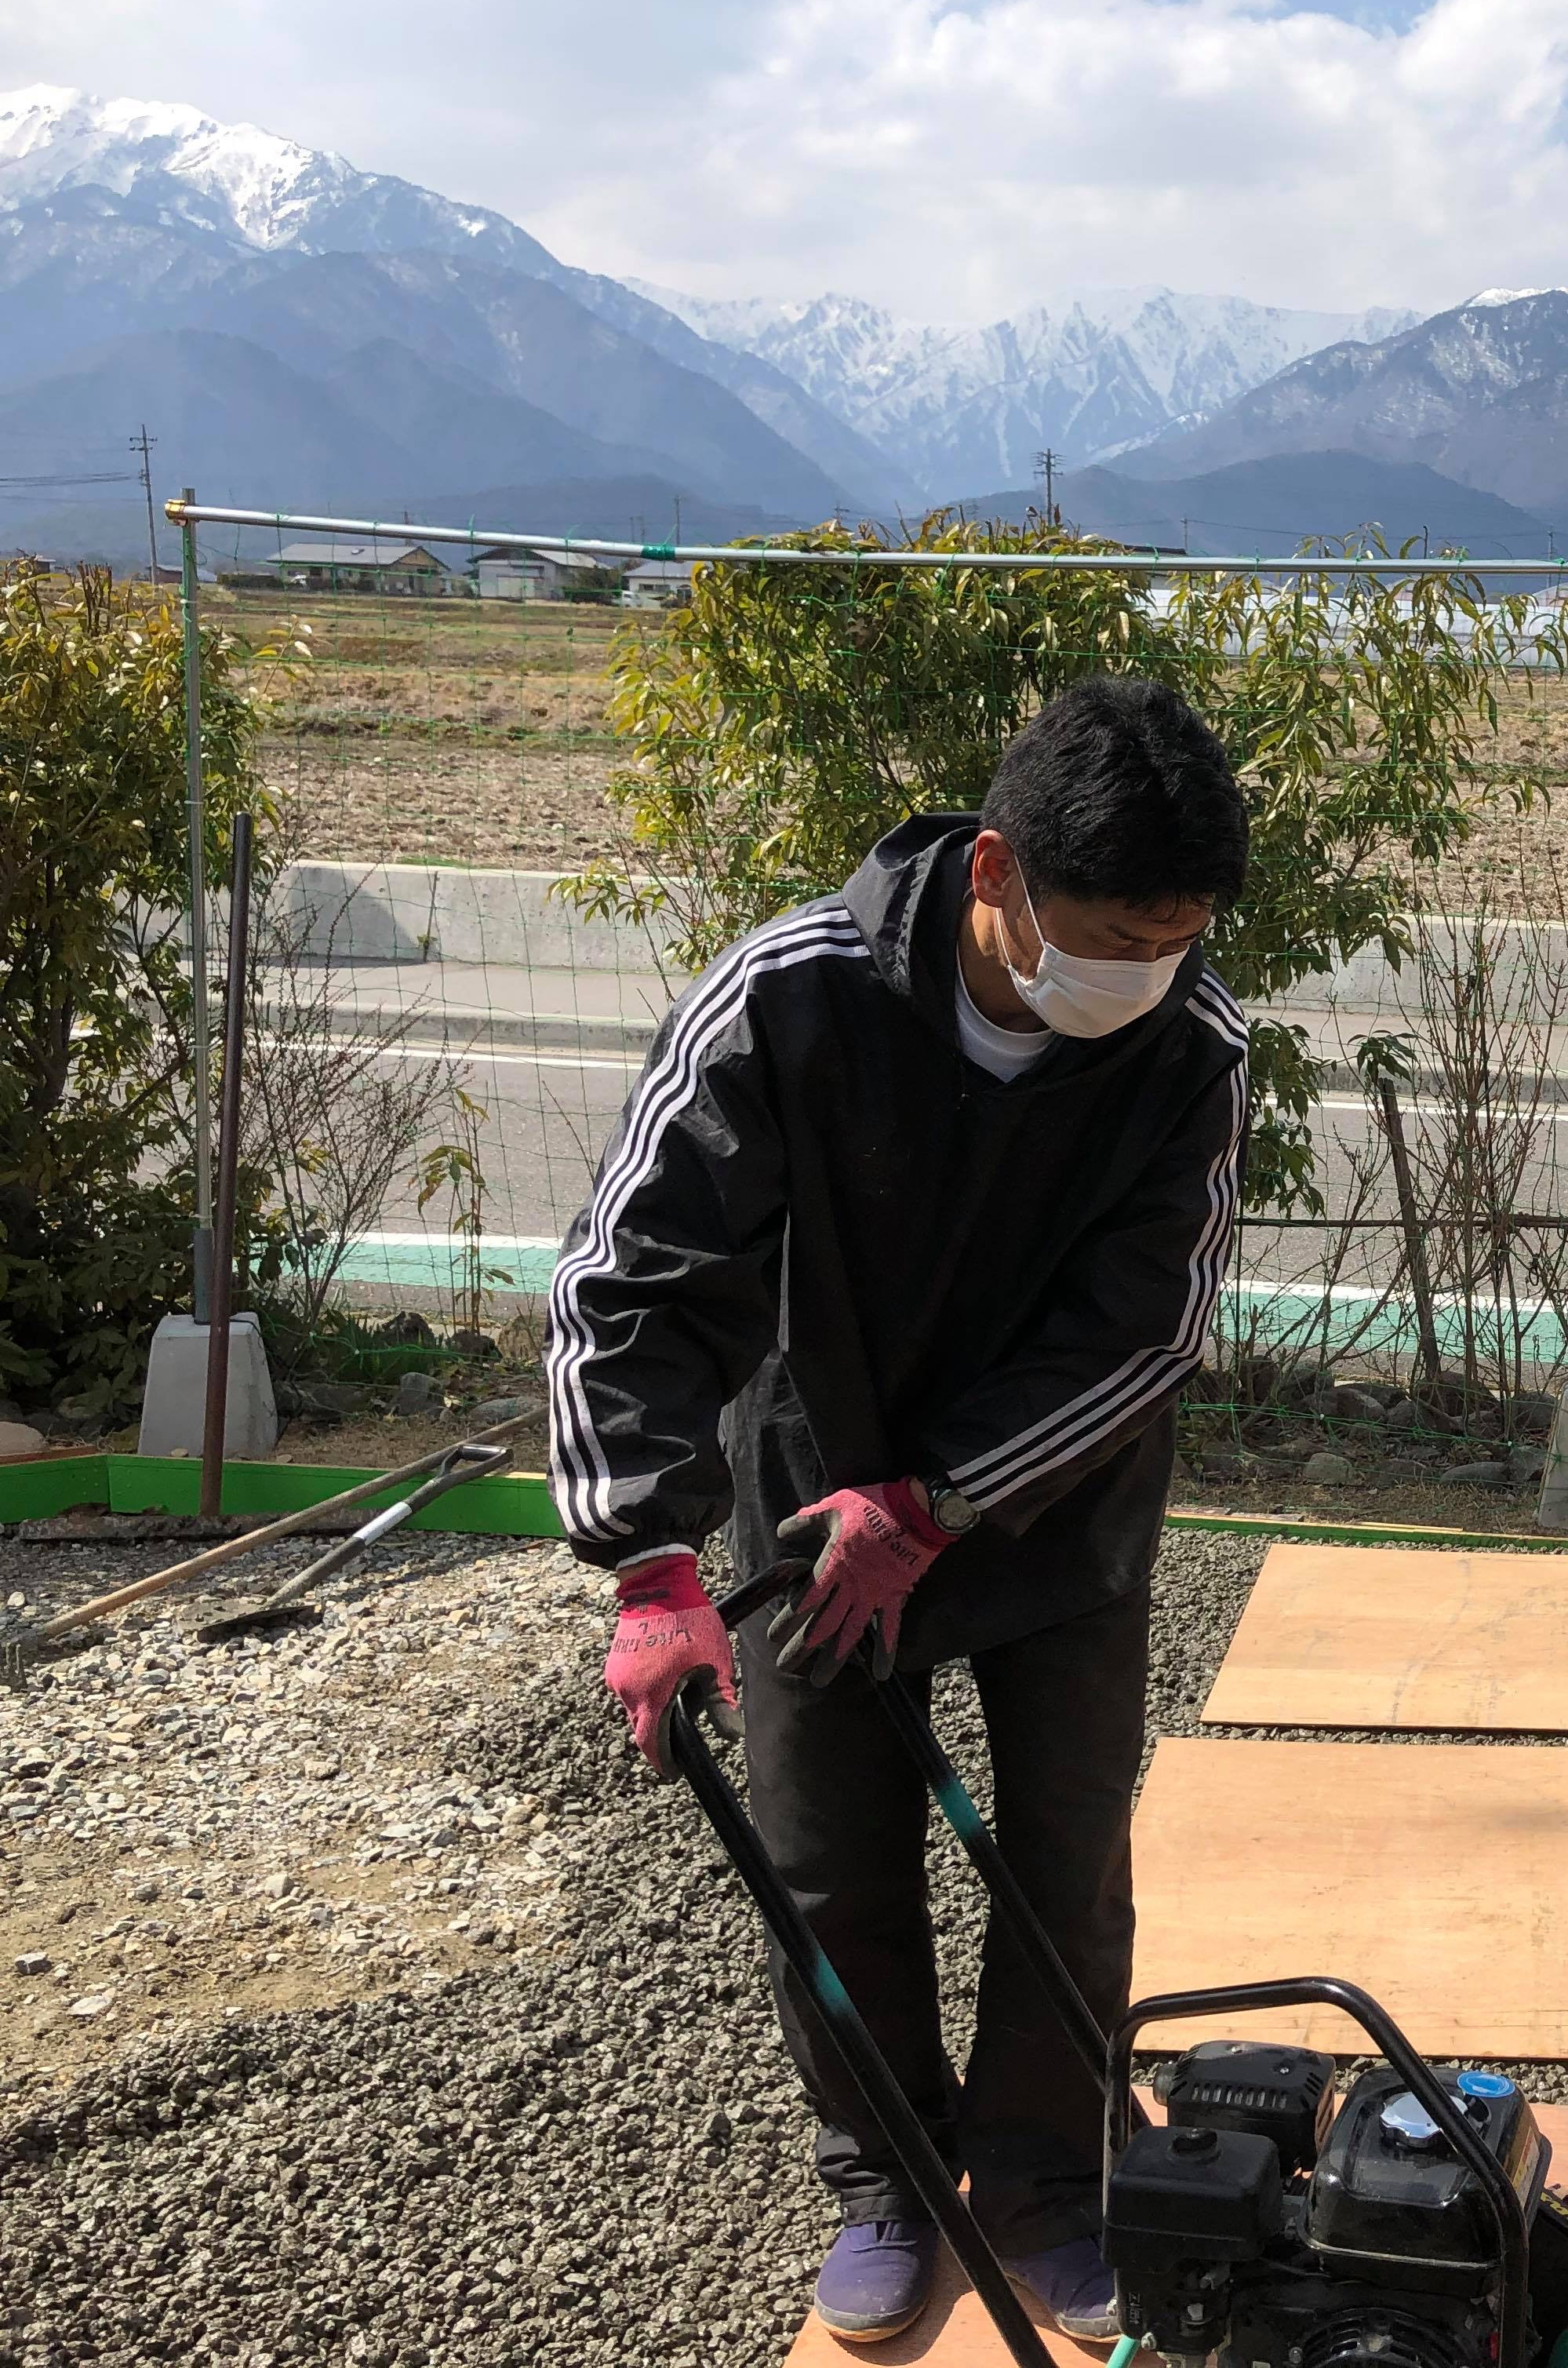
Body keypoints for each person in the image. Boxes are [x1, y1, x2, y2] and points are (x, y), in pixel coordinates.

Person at [545, 676, 1251, 2346]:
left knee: (1066, 1864)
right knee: (828, 1865)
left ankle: (1043, 2179)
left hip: (1049, 1510)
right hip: (808, 1506)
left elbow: (1146, 1327)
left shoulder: (1189, 1048)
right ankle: (885, 2172)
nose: (1143, 975)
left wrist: (942, 1499)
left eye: (1177, 938)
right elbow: (632, 1280)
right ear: (998, 869)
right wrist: (652, 1561)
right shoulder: (793, 1003)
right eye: (1114, 937)